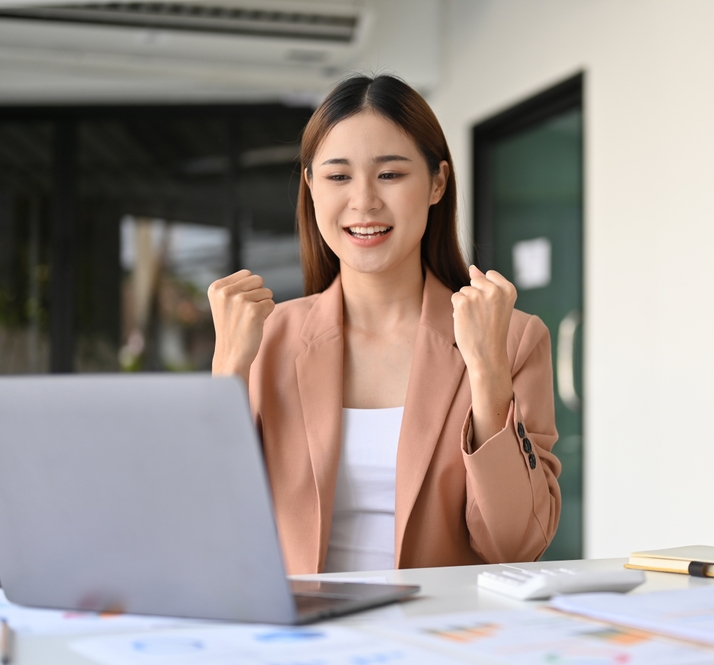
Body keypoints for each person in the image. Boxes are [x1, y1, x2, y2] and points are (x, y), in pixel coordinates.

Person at [207, 74, 561, 575]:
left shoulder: (514, 338)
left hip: (441, 642)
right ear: (310, 186)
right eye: (338, 176)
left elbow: (516, 546)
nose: (364, 201)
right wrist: (228, 372)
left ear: (438, 182)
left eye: (390, 175)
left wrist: (487, 373)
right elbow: (210, 529)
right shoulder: (266, 339)